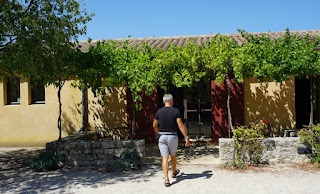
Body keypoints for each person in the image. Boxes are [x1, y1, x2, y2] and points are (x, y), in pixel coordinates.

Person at [153, 94, 190, 187]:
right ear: (171, 101)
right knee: (173, 156)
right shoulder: (176, 111)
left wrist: (159, 133)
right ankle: (174, 172)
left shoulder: (159, 112)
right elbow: (180, 125)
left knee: (164, 157)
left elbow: (154, 125)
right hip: (172, 136)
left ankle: (166, 179)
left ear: (164, 101)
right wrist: (186, 137)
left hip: (162, 137)